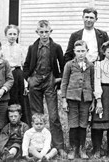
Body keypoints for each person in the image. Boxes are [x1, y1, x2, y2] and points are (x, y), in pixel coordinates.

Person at [23, 20, 66, 155]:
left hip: (49, 81)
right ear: (37, 33)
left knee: (53, 116)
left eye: (46, 32)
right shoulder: (32, 47)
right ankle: (37, 146)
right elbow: (26, 65)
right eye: (41, 32)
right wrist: (29, 79)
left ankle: (59, 146)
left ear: (50, 32)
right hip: (35, 81)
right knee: (37, 115)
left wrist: (59, 78)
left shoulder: (56, 47)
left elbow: (63, 64)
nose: (44, 35)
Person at [61, 40, 95, 160]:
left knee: (83, 124)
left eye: (83, 51)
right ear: (74, 52)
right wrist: (64, 100)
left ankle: (82, 148)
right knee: (73, 124)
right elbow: (64, 82)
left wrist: (93, 101)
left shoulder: (90, 65)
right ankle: (73, 148)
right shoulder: (69, 65)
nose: (81, 53)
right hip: (72, 98)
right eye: (78, 51)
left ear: (87, 51)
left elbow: (93, 83)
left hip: (85, 99)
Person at [1, 25, 31, 126]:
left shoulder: (21, 48)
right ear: (6, 35)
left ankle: (23, 126)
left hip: (18, 75)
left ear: (17, 35)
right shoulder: (2, 49)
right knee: (7, 100)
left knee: (20, 100)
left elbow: (24, 65)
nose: (12, 36)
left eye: (15, 34)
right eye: (10, 34)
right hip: (6, 75)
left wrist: (25, 83)